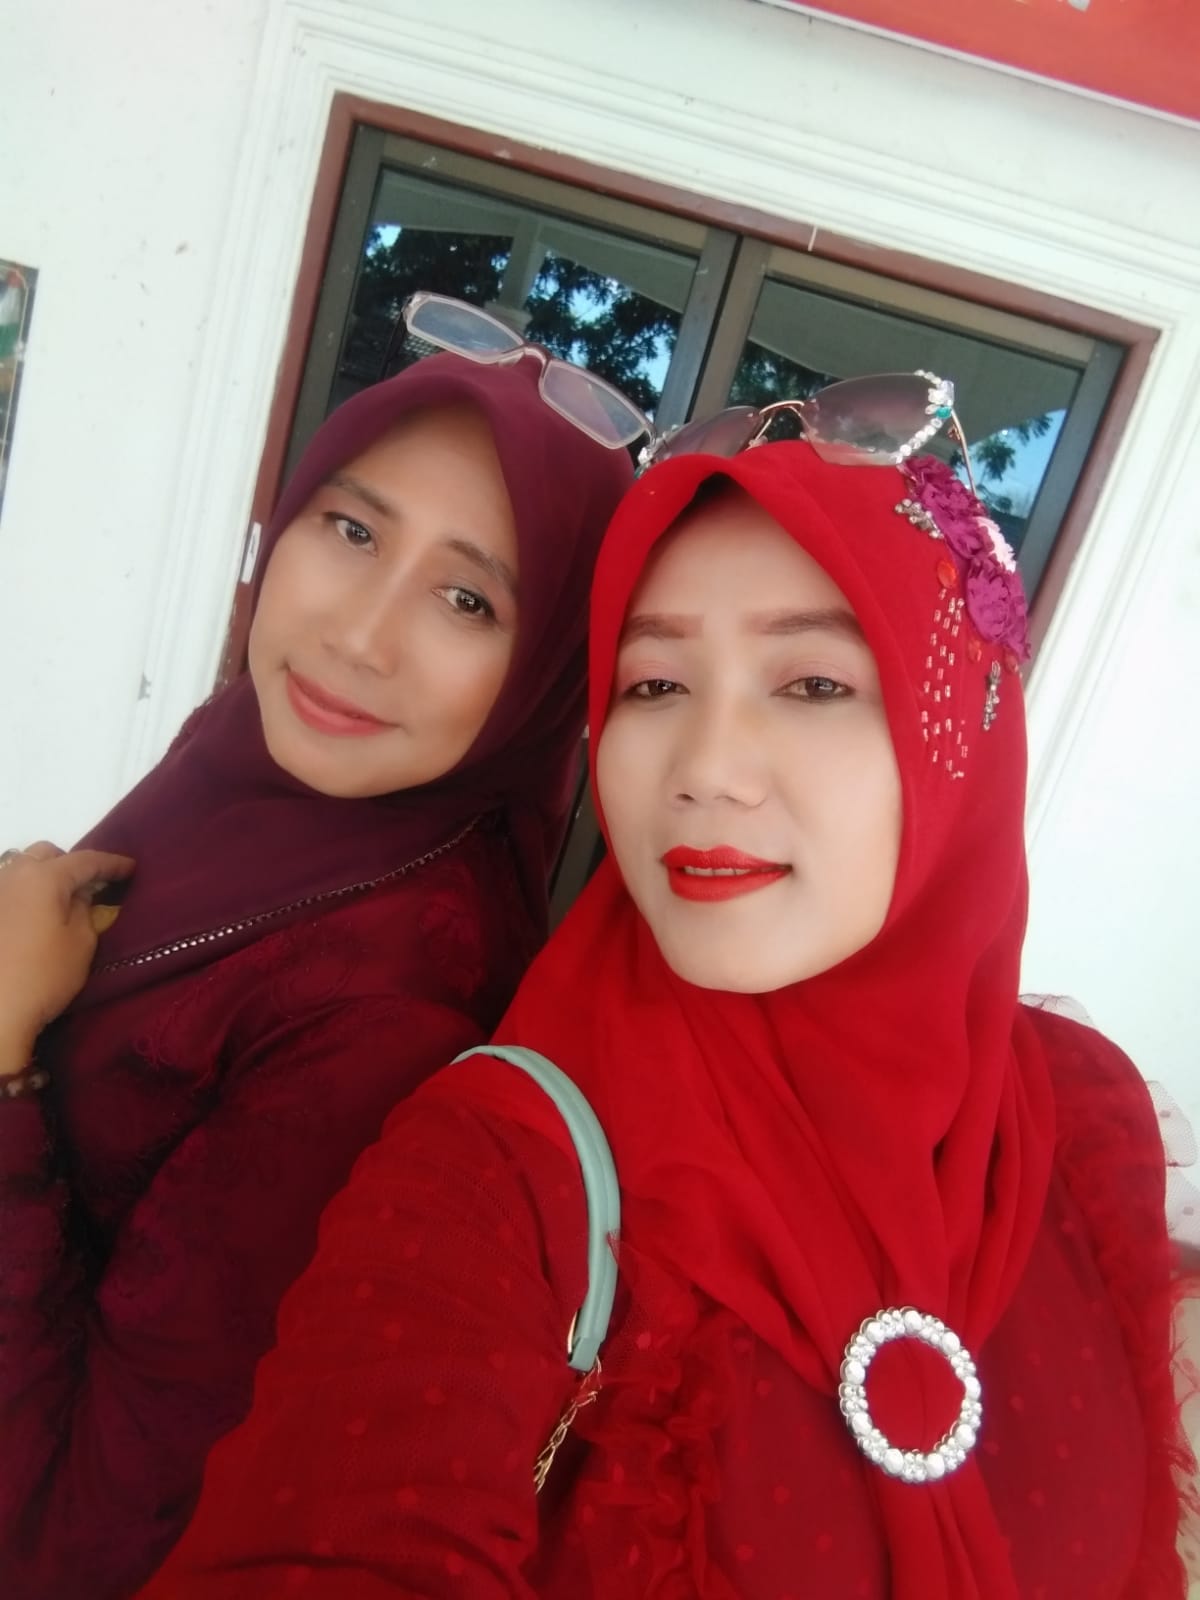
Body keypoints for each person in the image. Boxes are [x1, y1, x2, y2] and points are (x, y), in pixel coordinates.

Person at [137, 401, 1194, 1599]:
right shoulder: (501, 1177)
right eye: (652, 685)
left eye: (811, 682)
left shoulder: (1081, 1115)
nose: (705, 770)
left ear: (961, 734)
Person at [0, 344, 634, 1600]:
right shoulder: (249, 756)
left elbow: (80, 1533)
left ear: (552, 674)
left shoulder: (389, 1010)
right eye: (351, 529)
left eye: (468, 600)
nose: (358, 633)